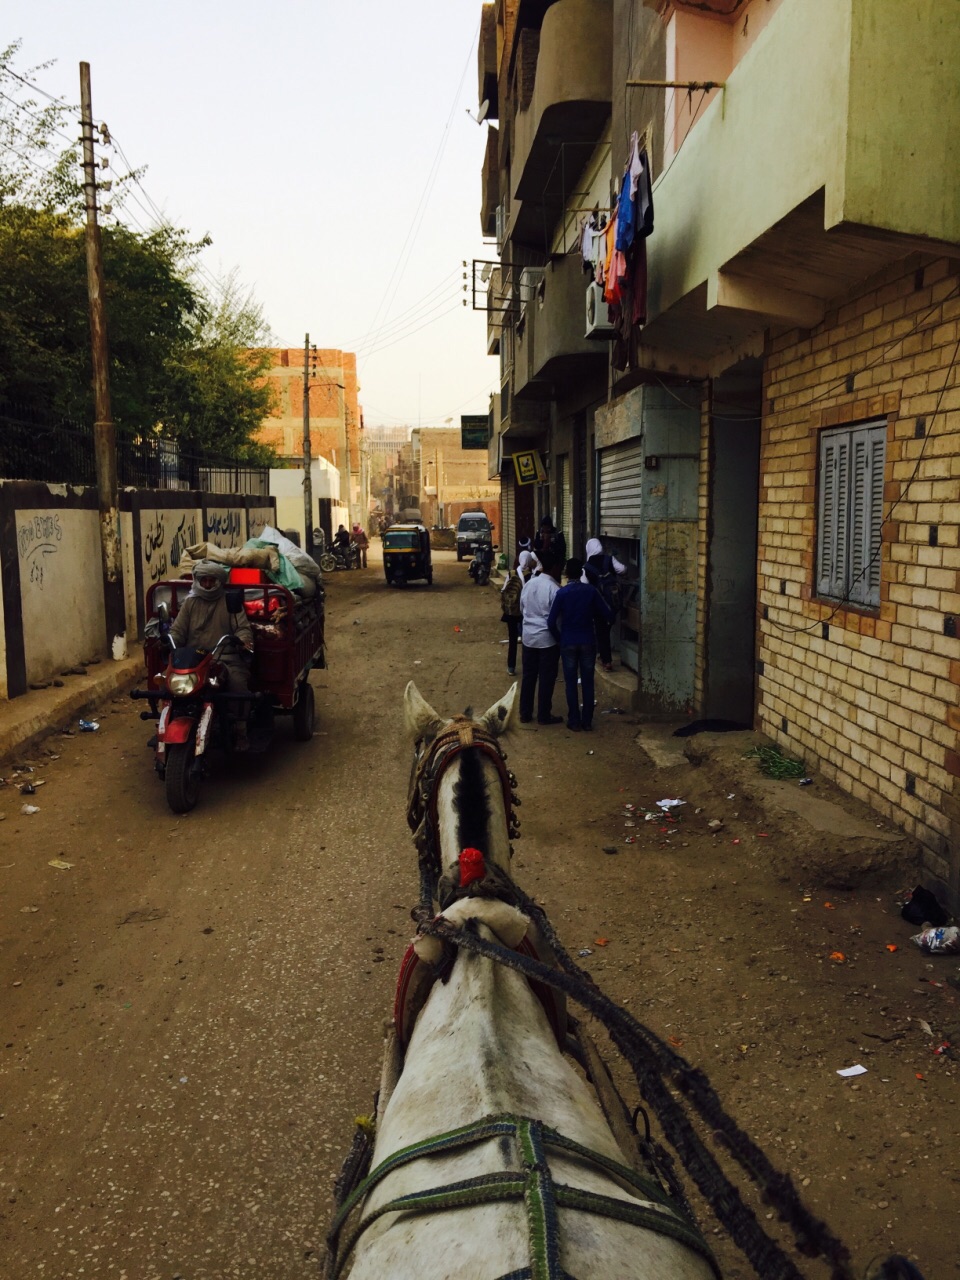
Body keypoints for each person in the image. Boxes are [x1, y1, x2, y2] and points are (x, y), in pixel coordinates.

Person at [169, 560, 255, 750]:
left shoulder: (230, 602)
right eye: (204, 580)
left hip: (224, 657)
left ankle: (241, 730)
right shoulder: (190, 602)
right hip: (193, 659)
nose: (207, 584)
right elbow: (178, 630)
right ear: (198, 581)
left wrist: (242, 640)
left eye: (211, 580)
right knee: (168, 682)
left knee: (238, 684)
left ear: (219, 581)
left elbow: (242, 628)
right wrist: (169, 639)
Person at [548, 557, 615, 732]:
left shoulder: (562, 593)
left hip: (568, 641)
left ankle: (574, 720)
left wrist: (559, 638)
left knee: (570, 682)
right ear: (582, 572)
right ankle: (587, 720)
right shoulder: (590, 591)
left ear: (566, 573)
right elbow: (608, 614)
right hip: (587, 641)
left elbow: (551, 622)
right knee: (587, 682)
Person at [518, 551, 563, 725]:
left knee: (529, 676)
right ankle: (544, 715)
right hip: (547, 640)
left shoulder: (530, 584)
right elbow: (557, 619)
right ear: (555, 567)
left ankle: (525, 713)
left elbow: (522, 609)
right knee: (546, 678)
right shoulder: (555, 588)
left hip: (529, 637)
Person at [582, 537, 627, 671]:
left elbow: (584, 586)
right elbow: (623, 569)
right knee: (605, 630)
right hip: (614, 602)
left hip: (598, 604)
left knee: (601, 630)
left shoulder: (586, 568)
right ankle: (604, 656)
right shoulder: (609, 559)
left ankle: (606, 660)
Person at [499, 551, 533, 677]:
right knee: (527, 641)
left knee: (512, 640)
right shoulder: (531, 576)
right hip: (524, 612)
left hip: (511, 612)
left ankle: (511, 667)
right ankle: (527, 665)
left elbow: (503, 590)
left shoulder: (511, 573)